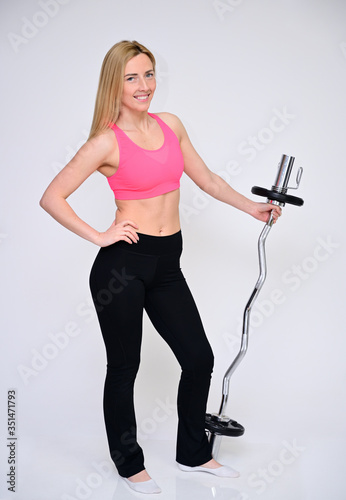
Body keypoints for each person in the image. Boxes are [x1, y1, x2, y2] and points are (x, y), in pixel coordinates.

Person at [40, 40, 281, 495]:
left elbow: (206, 179)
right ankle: (130, 464)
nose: (144, 85)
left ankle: (193, 454)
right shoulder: (105, 141)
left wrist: (251, 208)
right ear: (114, 83)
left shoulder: (170, 125)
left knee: (199, 357)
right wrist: (99, 235)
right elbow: (51, 196)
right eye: (132, 77)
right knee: (125, 365)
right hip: (122, 267)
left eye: (149, 74)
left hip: (168, 263)